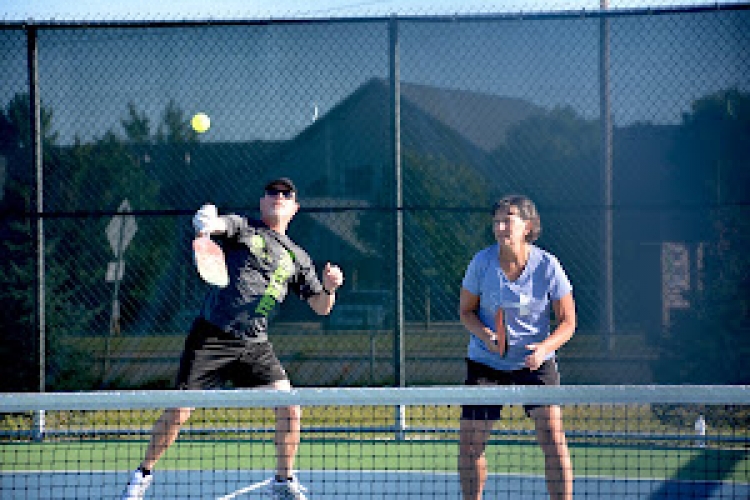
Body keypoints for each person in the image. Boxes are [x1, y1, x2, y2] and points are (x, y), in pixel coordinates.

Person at [120, 177, 344, 500]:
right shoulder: (245, 228)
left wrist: (330, 288)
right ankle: (142, 474)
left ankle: (283, 480)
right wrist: (207, 222)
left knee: (290, 407)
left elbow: (321, 307)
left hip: (255, 345)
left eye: (286, 194)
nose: (278, 196)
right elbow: (219, 225)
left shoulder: (298, 258)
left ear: (295, 207)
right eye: (272, 192)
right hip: (211, 336)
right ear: (262, 202)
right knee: (179, 410)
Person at [458, 195, 575, 500]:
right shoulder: (481, 263)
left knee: (553, 438)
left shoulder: (548, 266)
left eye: (507, 220)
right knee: (470, 445)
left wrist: (543, 349)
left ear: (528, 226)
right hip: (486, 363)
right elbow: (466, 312)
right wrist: (487, 336)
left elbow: (568, 322)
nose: (500, 227)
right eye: (496, 221)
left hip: (535, 364)